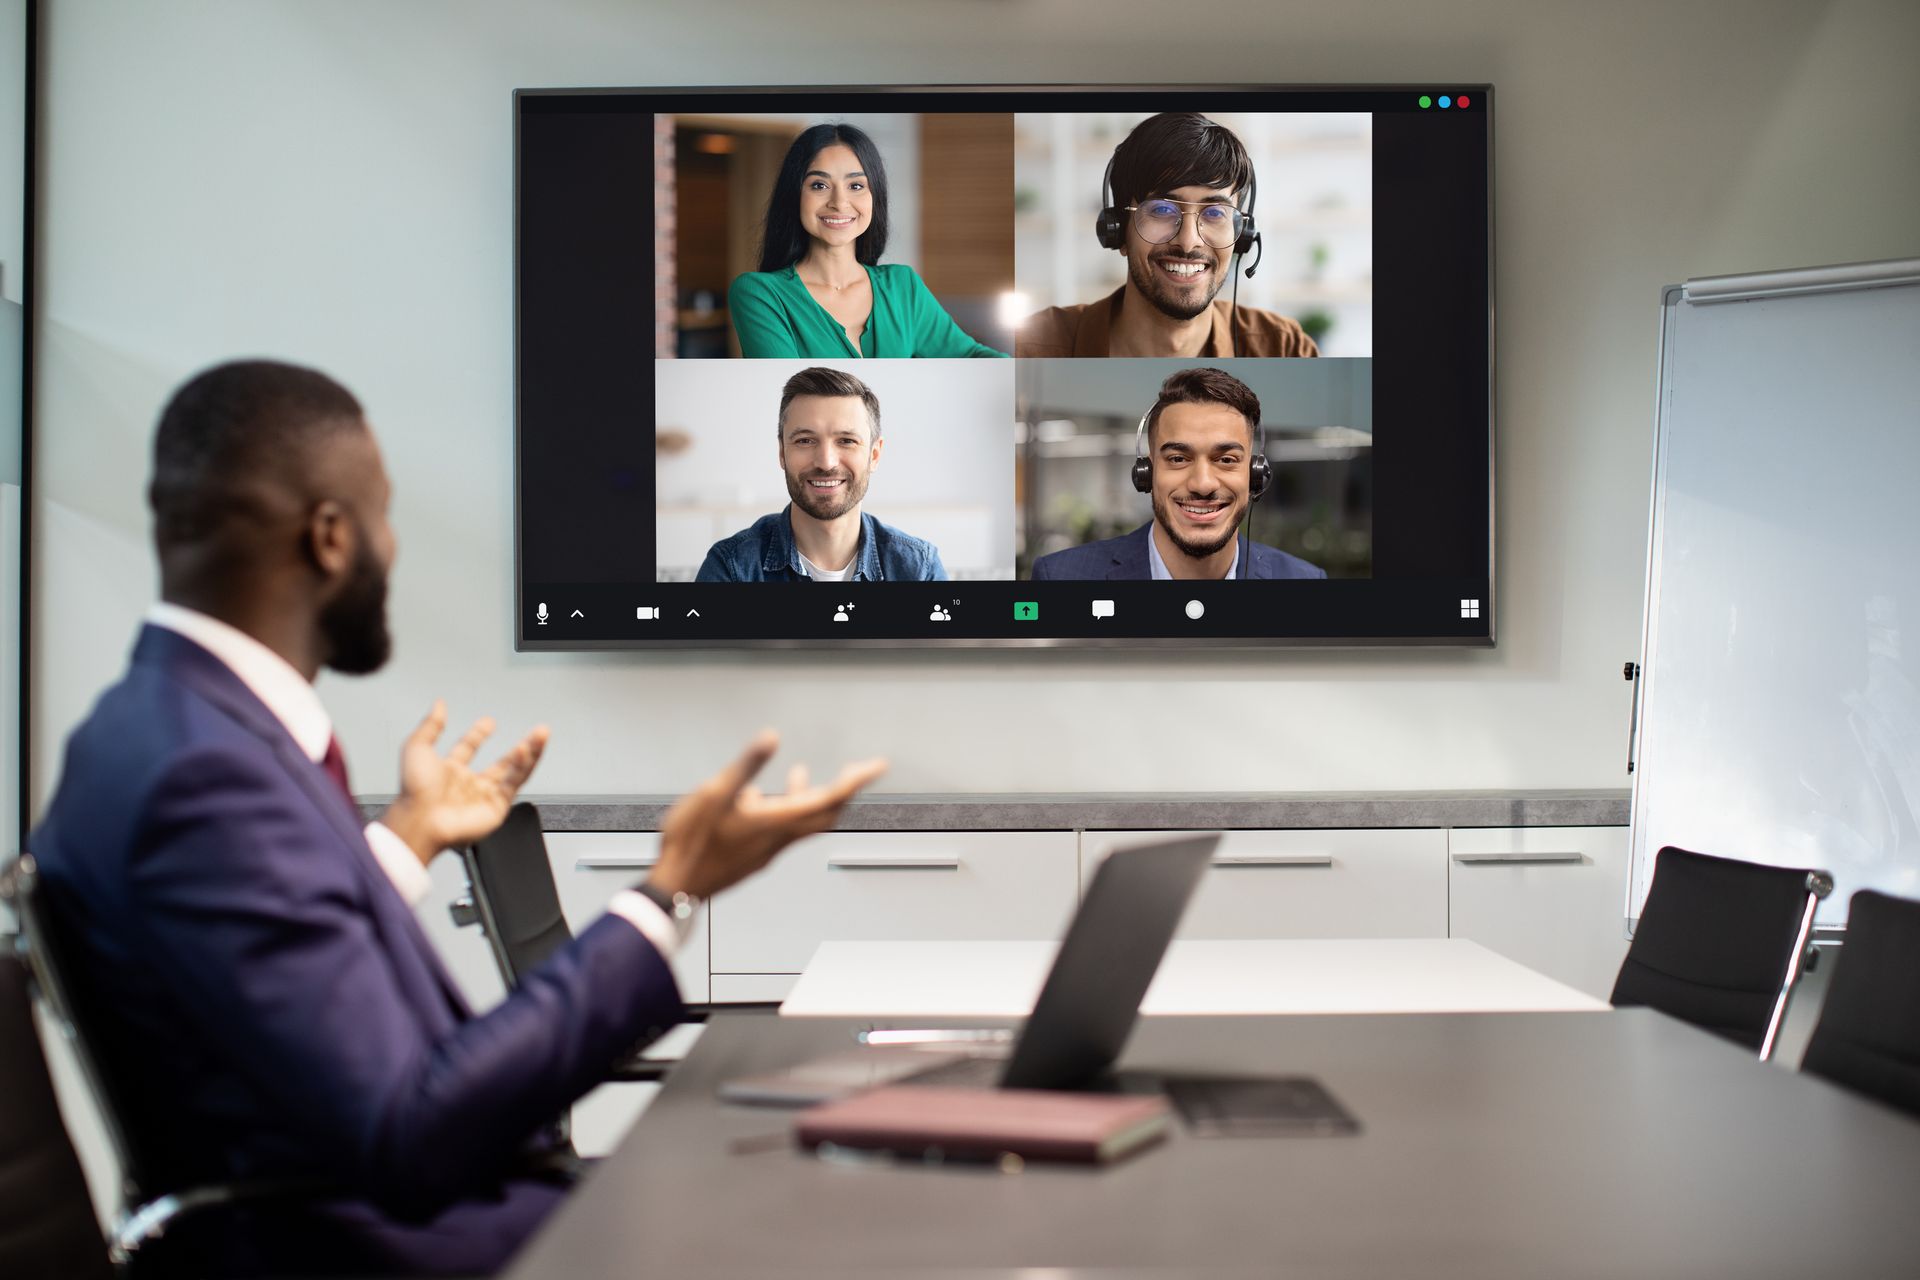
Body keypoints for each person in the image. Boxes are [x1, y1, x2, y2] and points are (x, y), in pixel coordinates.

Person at [27, 360, 887, 1277]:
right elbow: (411, 1129)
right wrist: (670, 891)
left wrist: (404, 840)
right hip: (389, 1249)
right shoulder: (202, 773)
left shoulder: (164, 728)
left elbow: (285, 1000)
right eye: (383, 516)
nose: (392, 549)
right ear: (330, 538)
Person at [1016, 112, 1319, 359]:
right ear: (1118, 229)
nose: (1188, 242)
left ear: (1242, 236)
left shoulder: (1284, 348)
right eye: (1161, 210)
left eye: (1215, 213)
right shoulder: (1033, 347)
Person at [727, 122, 1006, 359]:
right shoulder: (760, 294)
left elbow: (971, 357)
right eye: (819, 185)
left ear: (875, 198)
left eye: (856, 186)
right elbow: (792, 392)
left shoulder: (902, 286)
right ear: (794, 195)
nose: (839, 202)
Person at [1029, 367, 1325, 581]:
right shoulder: (1061, 578)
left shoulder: (1304, 581)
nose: (1203, 484)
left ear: (1256, 473)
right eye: (1178, 458)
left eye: (1226, 459)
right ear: (1146, 473)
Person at [697, 366, 947, 582]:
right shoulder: (731, 567)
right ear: (782, 452)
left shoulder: (919, 569)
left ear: (874, 455)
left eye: (847, 441)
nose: (826, 463)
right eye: (805, 440)